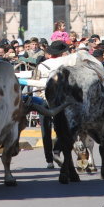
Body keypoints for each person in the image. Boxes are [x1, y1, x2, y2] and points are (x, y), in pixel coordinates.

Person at [37, 40, 69, 168]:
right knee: (63, 128)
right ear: (62, 52)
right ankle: (57, 151)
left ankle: (49, 160)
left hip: (43, 98)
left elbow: (37, 83)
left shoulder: (42, 65)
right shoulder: (67, 63)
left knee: (45, 130)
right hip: (61, 100)